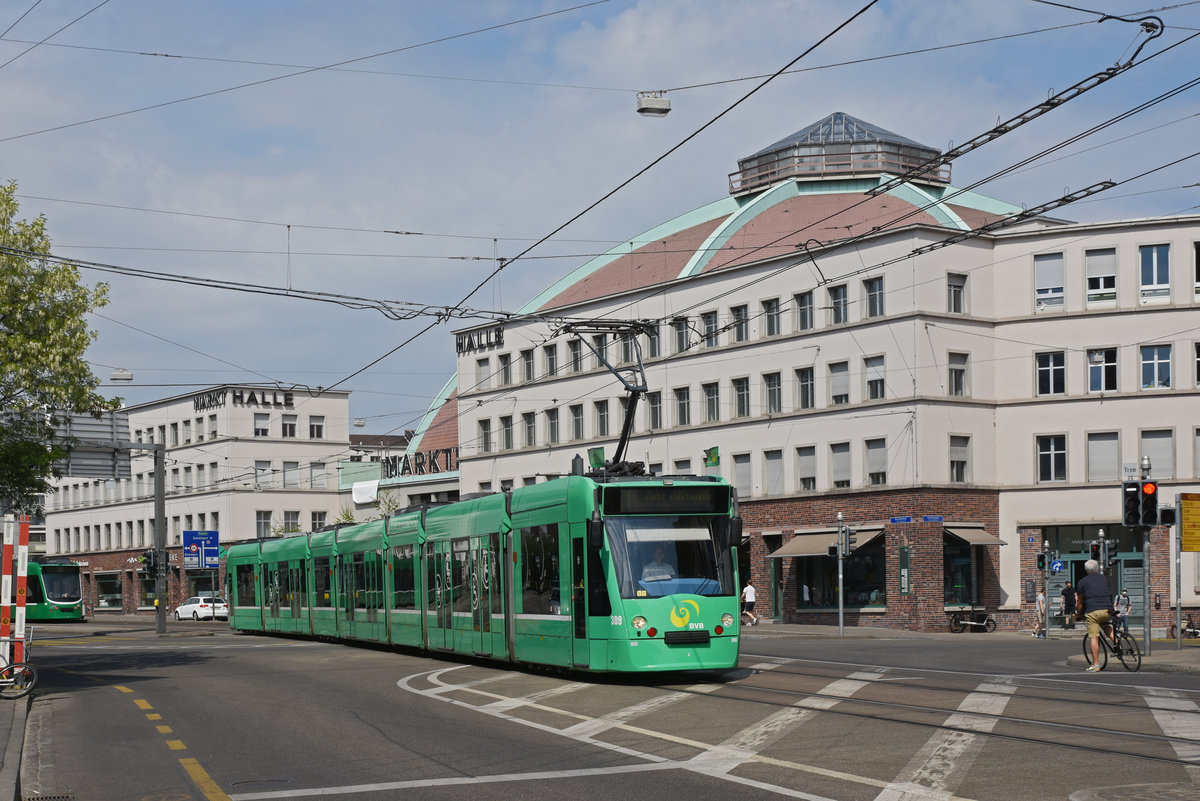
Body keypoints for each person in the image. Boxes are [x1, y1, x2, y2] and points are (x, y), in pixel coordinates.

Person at [1076, 559, 1114, 673]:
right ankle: (1119, 646)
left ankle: (1096, 665)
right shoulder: (1104, 578)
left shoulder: (1082, 582)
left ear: (1086, 570)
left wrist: (1078, 615)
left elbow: (1080, 602)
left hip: (1093, 611)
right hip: (1107, 609)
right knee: (1107, 627)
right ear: (1097, 568)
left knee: (1093, 636)